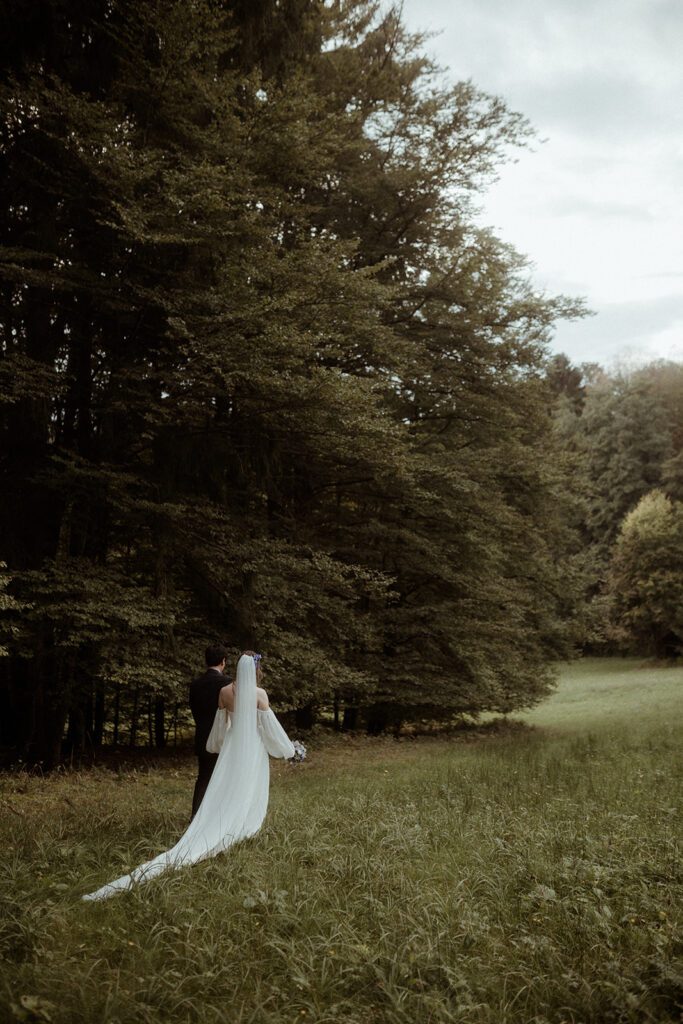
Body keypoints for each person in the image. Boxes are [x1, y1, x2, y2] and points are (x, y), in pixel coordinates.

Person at [82, 652, 294, 901]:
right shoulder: (260, 695)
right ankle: (245, 824)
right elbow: (269, 727)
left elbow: (220, 725)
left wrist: (220, 745)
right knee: (250, 784)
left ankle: (229, 820)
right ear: (257, 671)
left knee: (228, 785)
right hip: (253, 747)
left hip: (233, 746)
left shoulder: (224, 693)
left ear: (236, 669)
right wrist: (286, 748)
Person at [189, 644, 228, 819]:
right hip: (222, 737)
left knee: (203, 778)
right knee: (223, 777)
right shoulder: (227, 683)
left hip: (202, 736)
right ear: (223, 662)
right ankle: (218, 816)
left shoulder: (195, 685)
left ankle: (196, 817)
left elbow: (194, 710)